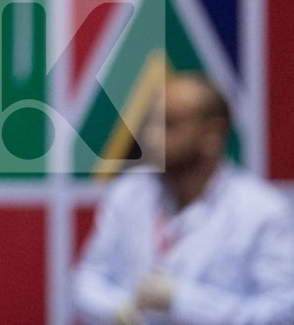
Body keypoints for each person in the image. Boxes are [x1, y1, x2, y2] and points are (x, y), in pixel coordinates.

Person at [73, 72, 294, 324]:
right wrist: (117, 310)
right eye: (150, 123)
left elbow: (283, 312)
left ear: (212, 133)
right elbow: (86, 280)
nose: (151, 138)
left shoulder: (262, 210)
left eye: (169, 124)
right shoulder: (128, 193)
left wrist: (184, 300)